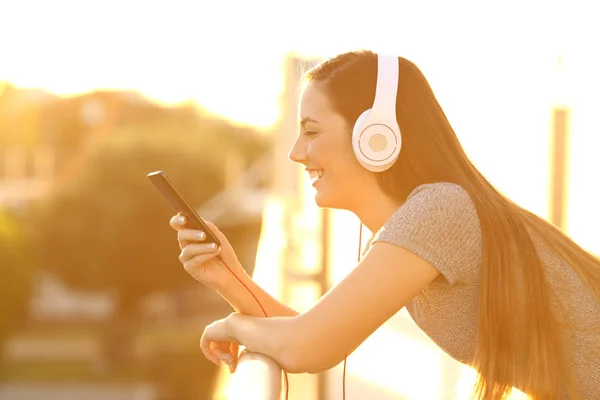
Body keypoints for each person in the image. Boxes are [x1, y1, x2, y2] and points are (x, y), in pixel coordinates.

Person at [169, 50, 600, 399]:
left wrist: (231, 326)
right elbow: (316, 333)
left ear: (375, 138)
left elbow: (309, 345)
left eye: (312, 132)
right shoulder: (426, 219)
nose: (296, 153)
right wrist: (229, 279)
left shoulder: (439, 211)